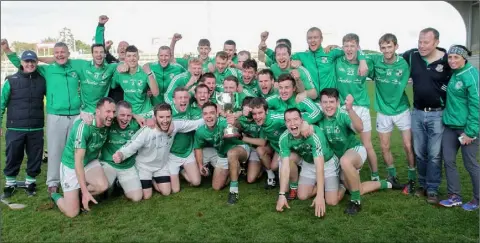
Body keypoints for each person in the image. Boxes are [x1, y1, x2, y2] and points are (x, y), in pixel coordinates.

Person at [2, 40, 84, 196]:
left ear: (68, 54)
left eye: (63, 52)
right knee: (54, 151)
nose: (60, 55)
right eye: (57, 52)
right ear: (53, 55)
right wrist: (7, 50)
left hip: (75, 114)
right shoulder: (47, 70)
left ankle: (73, 179)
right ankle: (53, 182)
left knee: (75, 150)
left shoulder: (76, 67)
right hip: (55, 115)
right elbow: (24, 65)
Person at [317, 88, 394, 215]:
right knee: (358, 188)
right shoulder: (319, 117)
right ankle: (387, 184)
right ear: (321, 103)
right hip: (338, 159)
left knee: (345, 161)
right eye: (325, 102)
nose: (328, 105)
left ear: (337, 103)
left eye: (331, 102)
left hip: (354, 151)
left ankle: (356, 201)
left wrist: (350, 109)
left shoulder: (343, 114)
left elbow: (359, 128)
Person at [402, 27, 452, 204]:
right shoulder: (412, 55)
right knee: (420, 153)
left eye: (426, 42)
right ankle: (422, 185)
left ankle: (432, 188)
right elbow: (390, 59)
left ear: (436, 42)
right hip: (416, 113)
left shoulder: (447, 60)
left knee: (434, 154)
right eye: (419, 42)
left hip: (437, 114)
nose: (421, 46)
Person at [113, 103, 204, 200]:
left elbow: (194, 124)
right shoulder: (147, 131)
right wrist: (121, 154)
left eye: (168, 117)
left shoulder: (174, 125)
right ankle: (138, 180)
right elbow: (132, 145)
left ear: (171, 117)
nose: (165, 120)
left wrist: (211, 116)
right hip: (144, 167)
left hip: (161, 167)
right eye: (161, 117)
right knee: (147, 196)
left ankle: (152, 180)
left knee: (166, 192)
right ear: (155, 118)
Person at [366, 33, 416, 194]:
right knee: (384, 146)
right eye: (383, 47)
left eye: (389, 46)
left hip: (402, 110)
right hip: (383, 111)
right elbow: (359, 54)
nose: (386, 50)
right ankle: (392, 176)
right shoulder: (375, 61)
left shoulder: (404, 63)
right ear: (380, 48)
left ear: (396, 46)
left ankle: (412, 177)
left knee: (408, 146)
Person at [51, 97, 115, 218]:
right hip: (72, 164)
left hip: (90, 161)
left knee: (103, 186)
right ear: (97, 112)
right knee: (72, 213)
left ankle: (78, 194)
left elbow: (125, 113)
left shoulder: (108, 122)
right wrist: (85, 191)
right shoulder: (84, 127)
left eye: (113, 112)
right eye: (108, 111)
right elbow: (78, 162)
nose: (111, 115)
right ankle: (55, 195)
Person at [334, 33, 381, 183]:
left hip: (361, 107)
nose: (349, 49)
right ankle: (340, 170)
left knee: (367, 144)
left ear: (357, 47)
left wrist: (362, 59)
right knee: (340, 141)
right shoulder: (338, 60)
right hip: (342, 108)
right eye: (346, 46)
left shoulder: (365, 61)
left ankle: (375, 175)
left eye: (352, 46)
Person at [276, 108, 340, 217]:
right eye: (288, 120)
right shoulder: (284, 138)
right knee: (302, 196)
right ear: (285, 123)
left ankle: (342, 186)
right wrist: (281, 194)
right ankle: (326, 184)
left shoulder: (312, 134)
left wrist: (320, 195)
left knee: (331, 201)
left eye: (295, 119)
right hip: (308, 163)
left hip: (326, 163)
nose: (292, 123)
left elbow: (319, 166)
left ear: (302, 120)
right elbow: (285, 167)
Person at [439, 45, 479, 211]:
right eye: (450, 57)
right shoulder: (454, 74)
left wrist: (470, 132)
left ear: (464, 58)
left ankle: (478, 199)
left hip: (465, 129)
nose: (452, 60)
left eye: (456, 57)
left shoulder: (471, 75)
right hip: (450, 127)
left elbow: (476, 105)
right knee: (448, 161)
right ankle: (454, 196)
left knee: (470, 164)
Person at [1, 50, 46, 198]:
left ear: (36, 62)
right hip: (15, 128)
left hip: (36, 127)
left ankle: (30, 183)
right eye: (27, 61)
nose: (30, 64)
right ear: (21, 63)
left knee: (35, 156)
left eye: (32, 61)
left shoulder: (42, 80)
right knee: (13, 156)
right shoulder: (11, 80)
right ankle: (10, 184)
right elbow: (1, 103)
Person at [193, 102, 248, 205]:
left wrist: (233, 123)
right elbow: (198, 148)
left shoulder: (223, 122)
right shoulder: (200, 131)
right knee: (216, 187)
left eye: (212, 113)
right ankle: (237, 169)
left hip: (240, 148)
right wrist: (200, 165)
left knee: (232, 154)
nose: (209, 116)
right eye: (205, 114)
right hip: (222, 154)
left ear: (217, 113)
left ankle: (233, 190)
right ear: (202, 116)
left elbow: (236, 129)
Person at [291, 27, 369, 95]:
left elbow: (352, 49)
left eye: (315, 37)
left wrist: (362, 61)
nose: (312, 40)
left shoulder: (330, 52)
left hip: (330, 100)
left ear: (321, 39)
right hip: (313, 100)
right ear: (306, 40)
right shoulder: (302, 55)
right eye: (310, 38)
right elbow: (284, 58)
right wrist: (298, 62)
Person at [98, 101, 143, 202]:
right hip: (109, 163)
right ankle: (109, 185)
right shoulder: (108, 122)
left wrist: (137, 116)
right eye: (122, 115)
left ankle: (118, 183)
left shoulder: (136, 124)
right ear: (115, 114)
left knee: (137, 197)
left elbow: (152, 121)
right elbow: (98, 114)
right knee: (102, 187)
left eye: (129, 115)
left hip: (127, 166)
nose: (125, 118)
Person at [112, 45, 159, 126]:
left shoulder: (145, 72)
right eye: (129, 56)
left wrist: (149, 73)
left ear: (138, 57)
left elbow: (156, 93)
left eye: (134, 56)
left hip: (146, 112)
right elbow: (112, 86)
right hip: (129, 112)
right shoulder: (120, 73)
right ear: (125, 58)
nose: (132, 58)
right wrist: (118, 69)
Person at [168, 87, 202, 193]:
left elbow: (204, 115)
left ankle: (183, 169)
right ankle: (179, 170)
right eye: (180, 98)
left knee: (196, 182)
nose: (183, 100)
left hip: (187, 152)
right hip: (171, 155)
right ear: (174, 100)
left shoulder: (192, 110)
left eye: (185, 97)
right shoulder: (168, 113)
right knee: (175, 189)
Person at [94, 15, 129, 102]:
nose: (122, 48)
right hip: (110, 104)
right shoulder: (111, 61)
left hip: (127, 106)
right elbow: (100, 47)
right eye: (120, 46)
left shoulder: (134, 67)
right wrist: (101, 26)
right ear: (117, 50)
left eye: (125, 47)